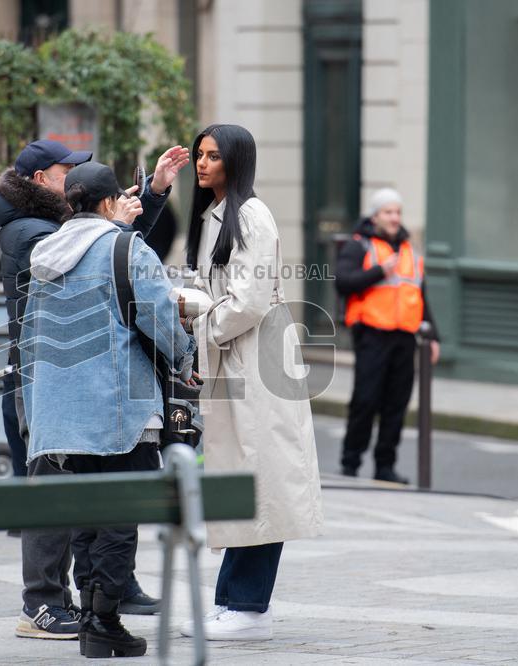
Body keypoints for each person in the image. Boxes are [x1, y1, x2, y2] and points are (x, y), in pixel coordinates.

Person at [0, 139, 189, 639]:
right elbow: (115, 264)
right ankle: (52, 606)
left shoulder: (49, 235)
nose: (71, 174)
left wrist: (152, 193)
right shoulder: (30, 232)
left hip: (55, 386)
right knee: (74, 504)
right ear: (41, 180)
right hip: (87, 387)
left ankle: (94, 604)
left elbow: (103, 247)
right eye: (65, 168)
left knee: (75, 499)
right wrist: (183, 357)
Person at [178, 124, 324, 641]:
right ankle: (237, 600)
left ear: (236, 162)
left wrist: (199, 321)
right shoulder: (212, 216)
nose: (202, 163)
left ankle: (246, 604)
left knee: (260, 478)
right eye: (199, 154)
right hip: (231, 357)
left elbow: (249, 301)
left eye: (213, 156)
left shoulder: (251, 216)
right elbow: (211, 291)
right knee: (239, 474)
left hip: (256, 359)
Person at [334, 187, 441, 484]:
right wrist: (379, 271)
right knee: (366, 401)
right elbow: (342, 283)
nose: (394, 218)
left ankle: (385, 466)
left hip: (405, 337)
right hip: (372, 335)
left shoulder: (409, 251)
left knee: (396, 404)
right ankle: (350, 463)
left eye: (397, 212)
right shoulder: (360, 246)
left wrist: (433, 337)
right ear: (375, 216)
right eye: (388, 212)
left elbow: (420, 296)